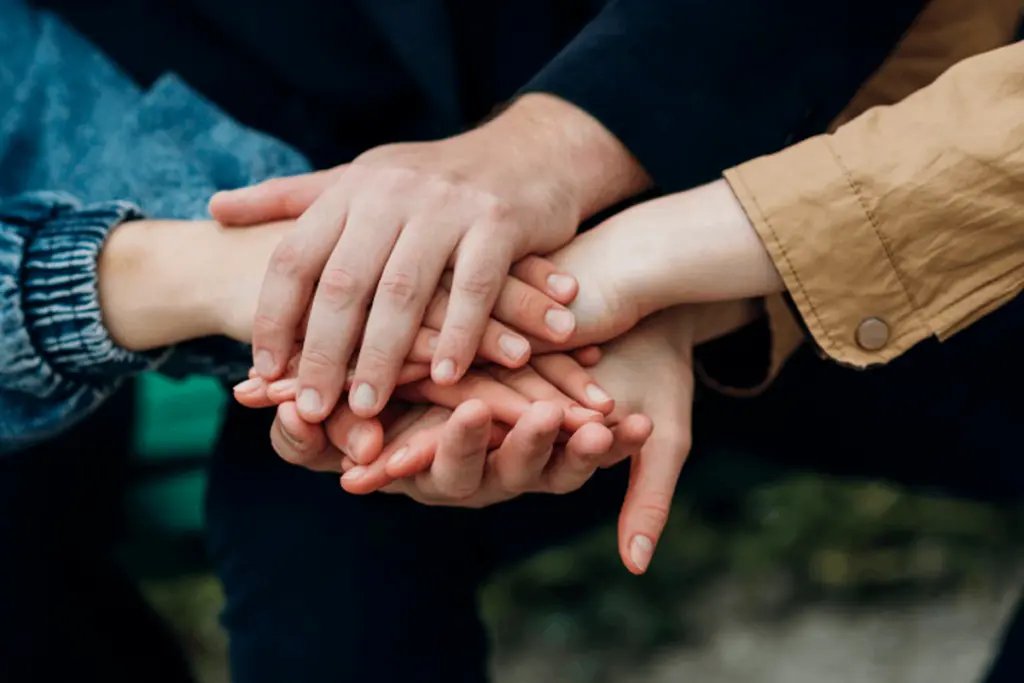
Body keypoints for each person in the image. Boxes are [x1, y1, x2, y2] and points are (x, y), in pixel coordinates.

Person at [10, 1, 1020, 682]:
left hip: (892, 191)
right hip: (446, 319)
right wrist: (259, 283)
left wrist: (582, 169)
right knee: (320, 558)